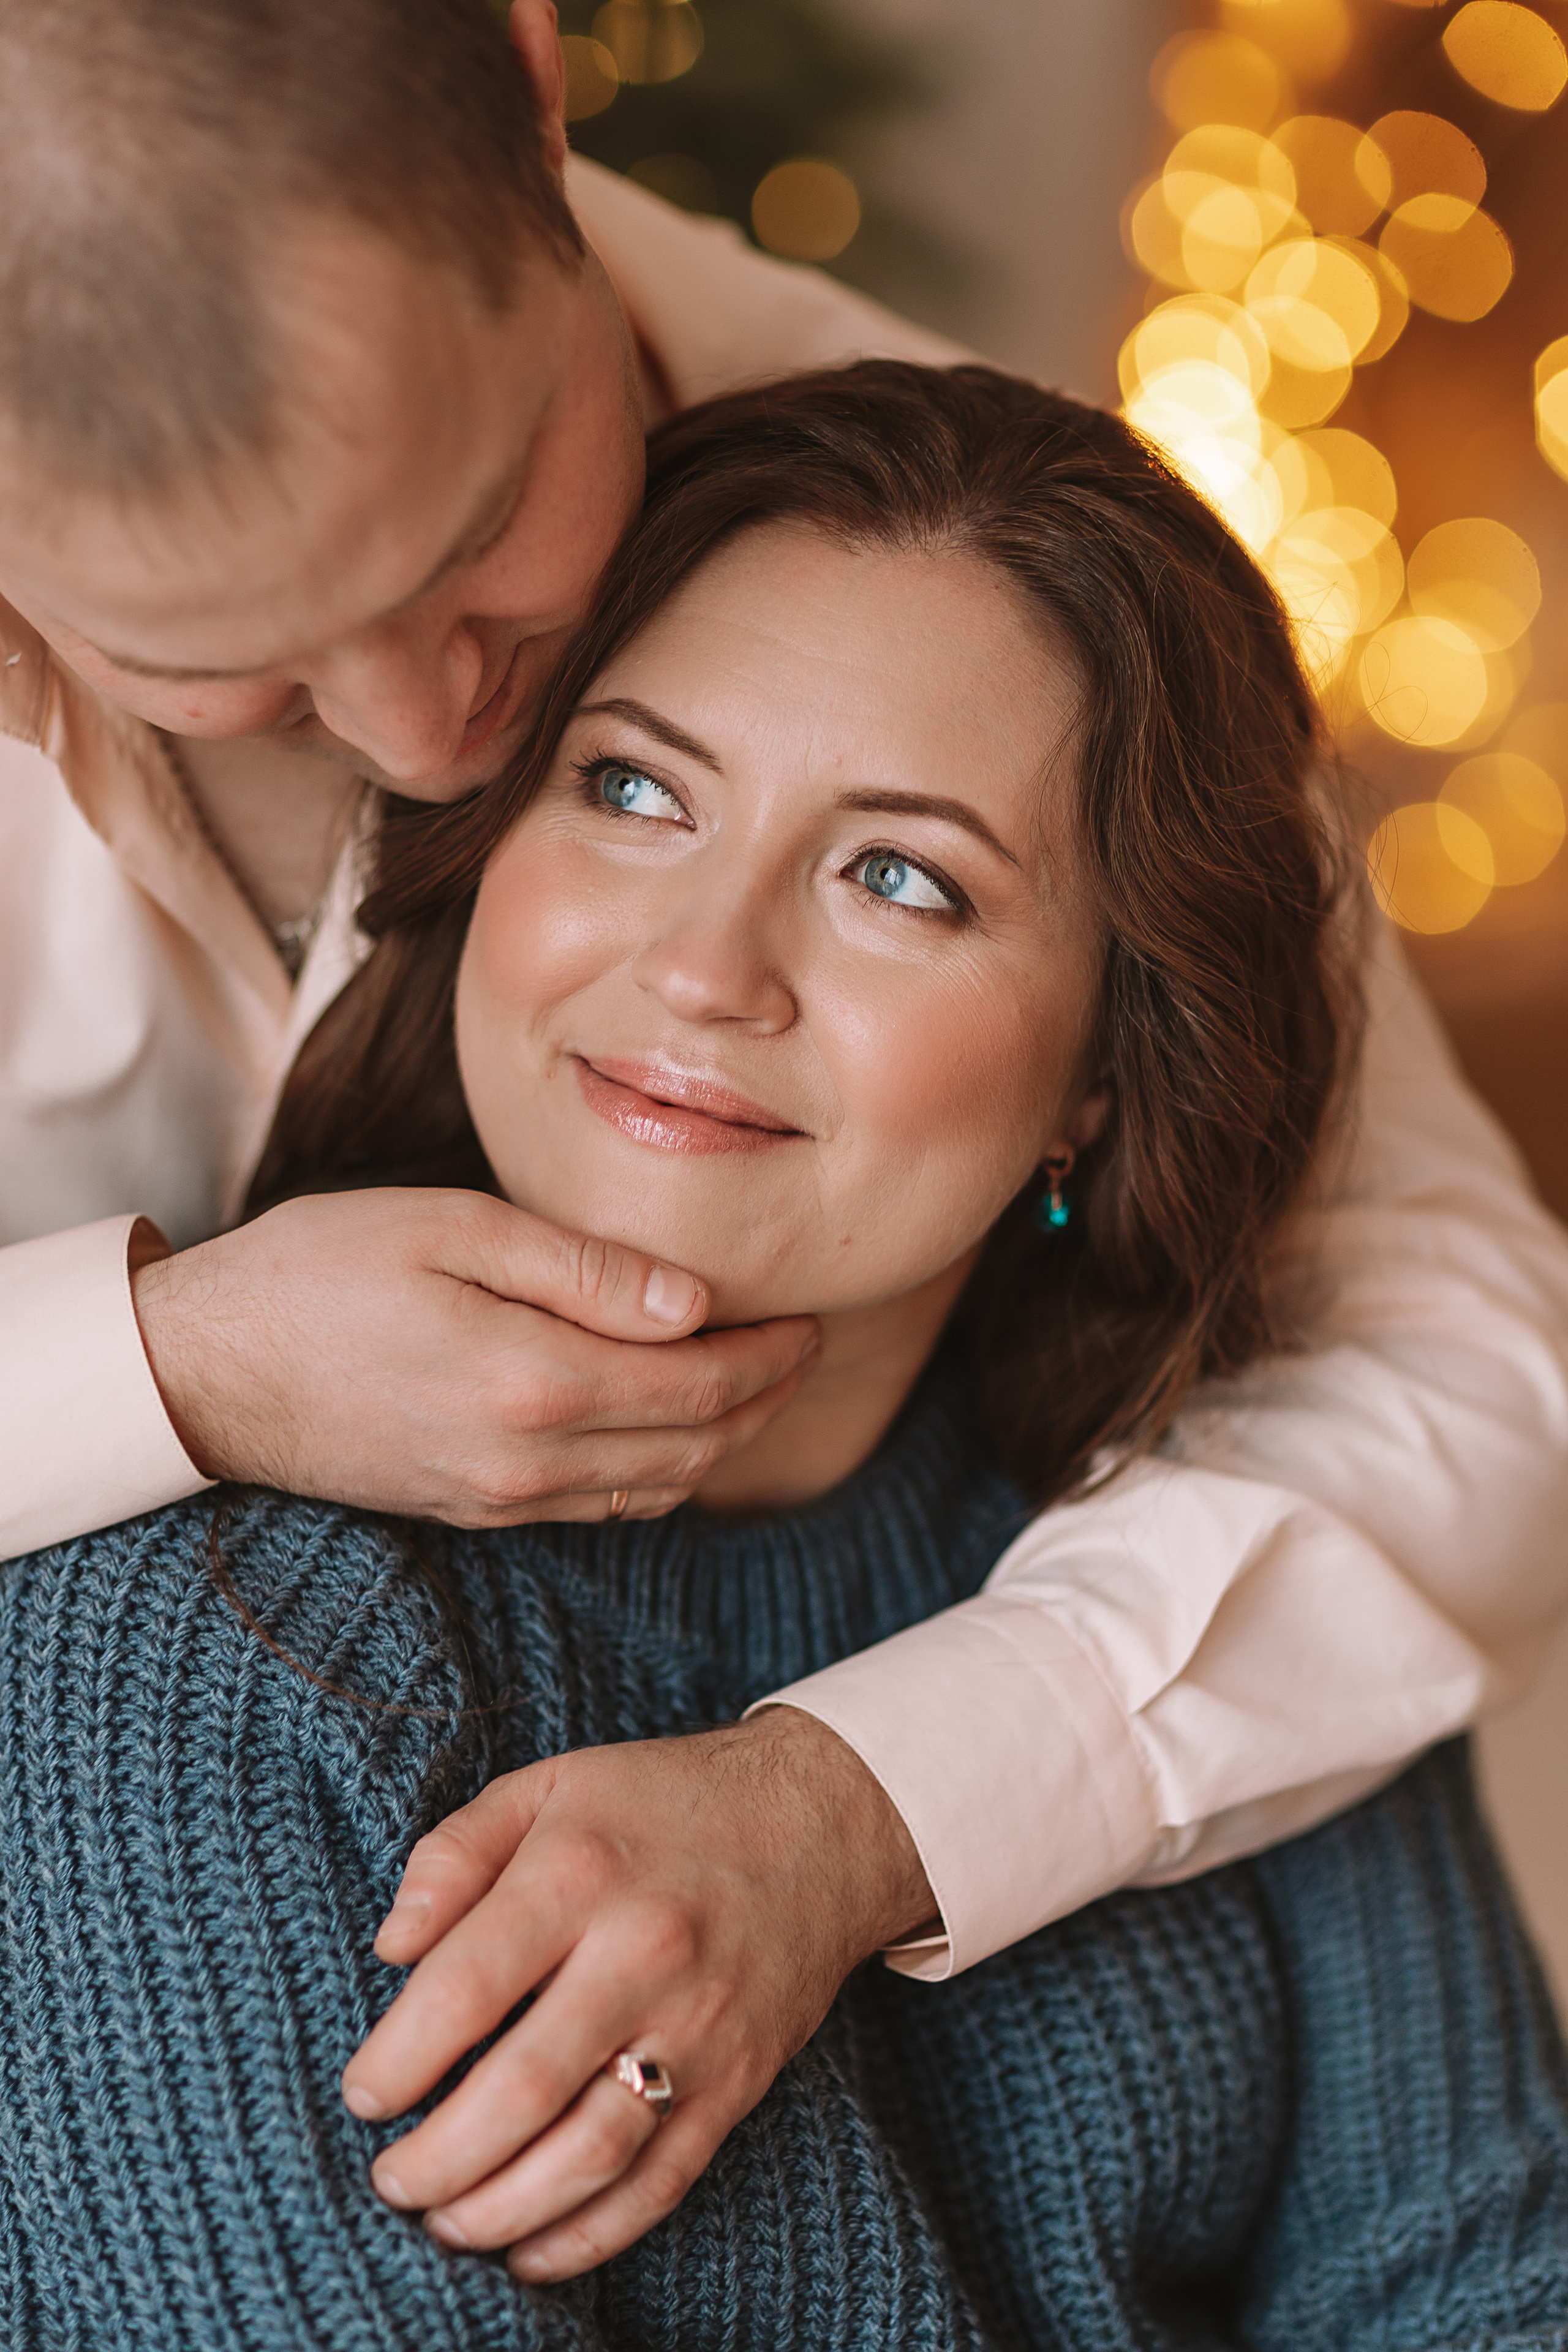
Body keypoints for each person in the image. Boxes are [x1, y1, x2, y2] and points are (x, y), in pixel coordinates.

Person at [2, 0, 1568, 2249]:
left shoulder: (950, 551)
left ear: (534, 78)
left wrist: (856, 1805)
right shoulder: (201, 1687)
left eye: (477, 550)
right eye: (218, 661)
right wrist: (173, 1370)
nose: (431, 739)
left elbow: (1467, 1364)